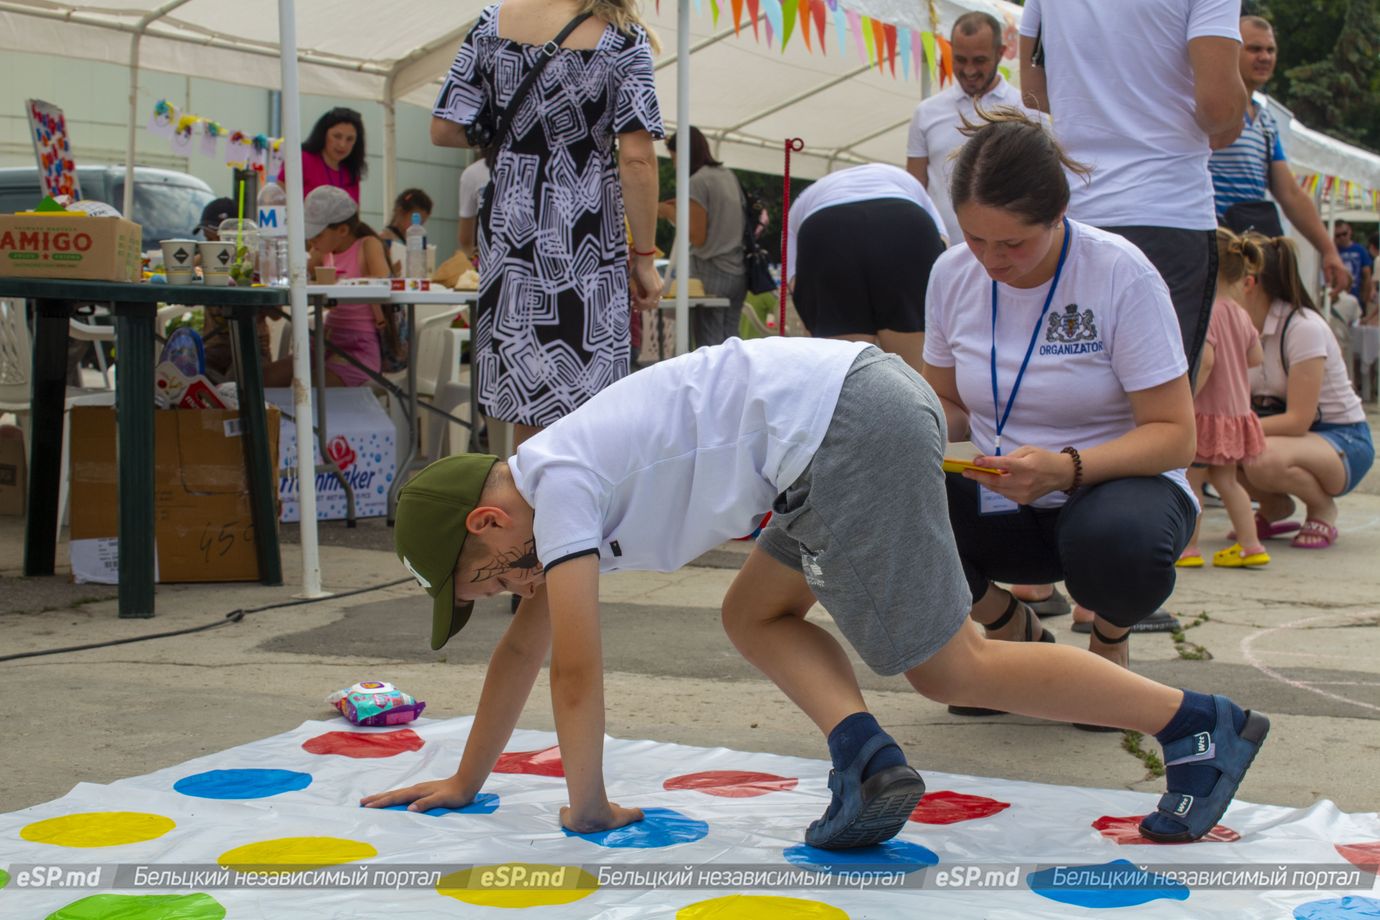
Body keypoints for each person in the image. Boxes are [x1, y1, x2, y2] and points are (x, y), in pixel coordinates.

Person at [362, 336, 1270, 849]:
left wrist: (590, 803)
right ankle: (864, 755)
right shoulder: (550, 483)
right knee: (753, 611)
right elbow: (527, 645)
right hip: (825, 428)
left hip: (840, 426)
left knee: (950, 668)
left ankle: (1193, 722)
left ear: (487, 526)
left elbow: (575, 669)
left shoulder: (554, 487)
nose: (513, 591)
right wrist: (465, 778)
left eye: (491, 580)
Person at [922, 111, 1198, 690]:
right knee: (883, 499)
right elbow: (948, 404)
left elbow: (1175, 433)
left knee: (1122, 542)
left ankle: (1107, 641)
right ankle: (1007, 629)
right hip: (1004, 488)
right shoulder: (951, 275)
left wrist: (1067, 468)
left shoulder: (1119, 273)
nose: (991, 260)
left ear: (1058, 215)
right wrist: (909, 425)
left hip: (1110, 488)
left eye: (1013, 243)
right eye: (974, 238)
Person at [1018, 0, 1246, 633]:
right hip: (1165, 207)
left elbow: (1032, 93)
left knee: (1056, 387)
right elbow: (1222, 114)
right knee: (1155, 411)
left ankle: (1033, 580)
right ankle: (1107, 600)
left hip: (1074, 206)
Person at [430, 0, 664, 452]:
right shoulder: (622, 38)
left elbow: (444, 128)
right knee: (593, 400)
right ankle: (575, 515)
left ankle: (528, 513)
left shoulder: (493, 21)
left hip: (512, 225)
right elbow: (637, 159)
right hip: (584, 230)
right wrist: (646, 258)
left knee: (528, 398)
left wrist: (514, 134)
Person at [1239, 234, 1374, 549]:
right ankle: (1274, 507)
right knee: (1211, 448)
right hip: (1289, 437)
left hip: (1342, 438)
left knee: (1257, 455)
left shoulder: (1303, 327)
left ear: (1248, 282)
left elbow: (1298, 419)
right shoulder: (1245, 328)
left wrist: (1233, 429)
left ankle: (1322, 508)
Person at [1208, 16, 1349, 296]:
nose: (1264, 57)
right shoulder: (1211, 108)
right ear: (1233, 49)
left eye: (1270, 50)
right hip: (1213, 248)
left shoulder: (1266, 121)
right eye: (1254, 49)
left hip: (1250, 250)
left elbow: (1290, 194)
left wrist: (1329, 250)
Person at [786, 163, 946, 373]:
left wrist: (818, 323)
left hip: (825, 229)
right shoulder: (906, 182)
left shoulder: (804, 199)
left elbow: (794, 281)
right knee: (918, 374)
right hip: (905, 223)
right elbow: (945, 250)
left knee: (842, 372)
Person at [1177, 229, 1268, 569]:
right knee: (1228, 482)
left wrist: (1186, 395)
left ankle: (1189, 548)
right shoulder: (1240, 314)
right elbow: (1256, 357)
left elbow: (1209, 360)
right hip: (1234, 412)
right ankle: (1250, 545)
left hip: (1205, 415)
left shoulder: (1208, 311)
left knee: (1191, 482)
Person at [905, 11, 1034, 246]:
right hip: (943, 249)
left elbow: (1040, 186)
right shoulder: (926, 113)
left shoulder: (1026, 110)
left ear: (1000, 53)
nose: (969, 70)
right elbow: (914, 191)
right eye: (961, 60)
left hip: (1008, 253)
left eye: (979, 60)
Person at [262, 186, 392, 388]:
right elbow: (295, 271)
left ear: (342, 230)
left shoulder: (368, 245)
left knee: (310, 387)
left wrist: (338, 284)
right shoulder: (323, 249)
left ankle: (299, 420)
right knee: (265, 378)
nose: (311, 240)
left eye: (317, 234)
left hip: (359, 345)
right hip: (327, 340)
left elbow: (383, 283)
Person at [659, 126, 747, 349]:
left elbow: (697, 236)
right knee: (732, 344)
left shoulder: (697, 181)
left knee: (710, 347)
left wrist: (668, 212)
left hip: (711, 271)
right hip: (737, 270)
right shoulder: (727, 175)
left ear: (682, 152)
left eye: (673, 156)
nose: (673, 163)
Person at [192, 197, 271, 378]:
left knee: (238, 380)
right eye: (207, 240)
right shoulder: (201, 265)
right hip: (213, 347)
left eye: (216, 240)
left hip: (252, 347)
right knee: (191, 377)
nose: (211, 247)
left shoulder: (253, 266)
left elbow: (276, 314)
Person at [294, 107, 367, 205]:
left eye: (350, 139)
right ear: (323, 134)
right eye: (337, 136)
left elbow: (355, 215)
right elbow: (279, 201)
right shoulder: (302, 160)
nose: (342, 144)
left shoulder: (351, 171)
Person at [378, 188, 433, 275]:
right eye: (415, 221)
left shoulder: (410, 241)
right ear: (400, 212)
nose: (417, 227)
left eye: (421, 223)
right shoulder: (385, 239)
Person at [456, 158, 491, 263]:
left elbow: (465, 239)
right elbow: (465, 238)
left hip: (488, 263)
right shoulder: (473, 174)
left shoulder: (473, 173)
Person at [1334, 221, 1374, 307]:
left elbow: (1367, 275)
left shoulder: (1360, 250)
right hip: (1337, 298)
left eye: (1344, 234)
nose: (1342, 237)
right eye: (1338, 235)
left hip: (1356, 296)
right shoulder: (1333, 251)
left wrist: (1365, 297)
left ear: (1350, 231)